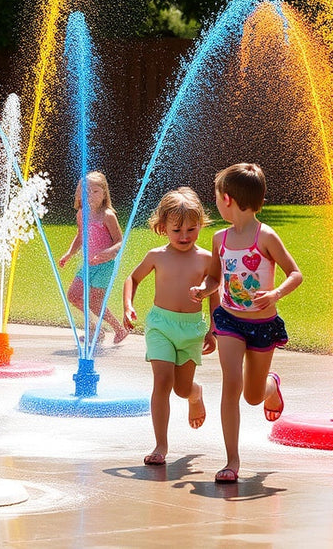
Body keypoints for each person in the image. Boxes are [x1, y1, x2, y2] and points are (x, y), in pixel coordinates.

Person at [208, 163, 302, 484]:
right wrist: (203, 291)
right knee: (231, 383)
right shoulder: (218, 239)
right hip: (230, 322)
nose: (216, 204)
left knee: (251, 396)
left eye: (217, 198)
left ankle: (270, 386)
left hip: (262, 326)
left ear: (227, 199)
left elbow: (295, 273)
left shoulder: (267, 237)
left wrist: (275, 293)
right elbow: (213, 278)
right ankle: (232, 460)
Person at [123, 187, 219, 467]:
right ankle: (161, 445)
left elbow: (215, 292)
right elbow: (132, 278)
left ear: (201, 223)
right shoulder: (157, 256)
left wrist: (214, 327)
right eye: (177, 230)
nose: (185, 236)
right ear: (163, 227)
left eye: (192, 229)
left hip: (191, 329)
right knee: (162, 382)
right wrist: (128, 305)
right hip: (161, 326)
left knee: (182, 388)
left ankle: (195, 394)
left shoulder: (205, 259)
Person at [59, 171, 129, 344]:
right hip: (88, 264)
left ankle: (118, 329)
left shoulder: (108, 215)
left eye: (95, 191)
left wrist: (108, 252)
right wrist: (69, 253)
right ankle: (94, 329)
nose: (90, 195)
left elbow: (120, 241)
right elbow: (80, 236)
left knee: (95, 302)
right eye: (86, 191)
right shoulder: (81, 213)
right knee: (74, 296)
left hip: (105, 266)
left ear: (104, 193)